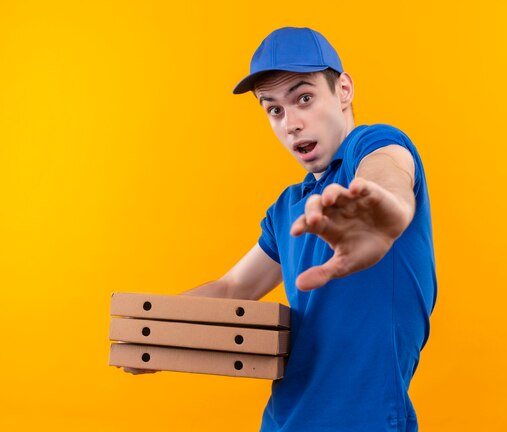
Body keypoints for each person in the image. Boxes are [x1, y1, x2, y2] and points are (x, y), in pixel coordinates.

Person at [129, 27, 437, 432]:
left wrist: (385, 204)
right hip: (281, 422)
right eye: (273, 109)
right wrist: (154, 334)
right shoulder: (288, 208)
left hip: (369, 421)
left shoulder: (373, 144)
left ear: (343, 90)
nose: (290, 123)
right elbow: (231, 289)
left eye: (303, 98)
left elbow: (388, 167)